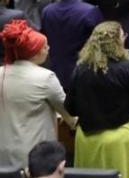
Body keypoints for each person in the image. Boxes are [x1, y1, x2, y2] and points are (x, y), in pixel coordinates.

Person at [65, 22, 129, 178]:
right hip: (120, 142)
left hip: (87, 141)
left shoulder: (80, 69)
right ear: (116, 41)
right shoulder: (126, 68)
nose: (125, 38)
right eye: (122, 36)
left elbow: (70, 108)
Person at [0, 21, 75, 169]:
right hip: (36, 154)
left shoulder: (1, 72)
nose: (48, 49)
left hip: (3, 152)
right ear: (34, 53)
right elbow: (69, 113)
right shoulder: (46, 77)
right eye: (45, 46)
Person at [41, 0, 103, 92]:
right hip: (82, 75)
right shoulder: (90, 11)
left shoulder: (47, 11)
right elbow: (100, 43)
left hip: (53, 73)